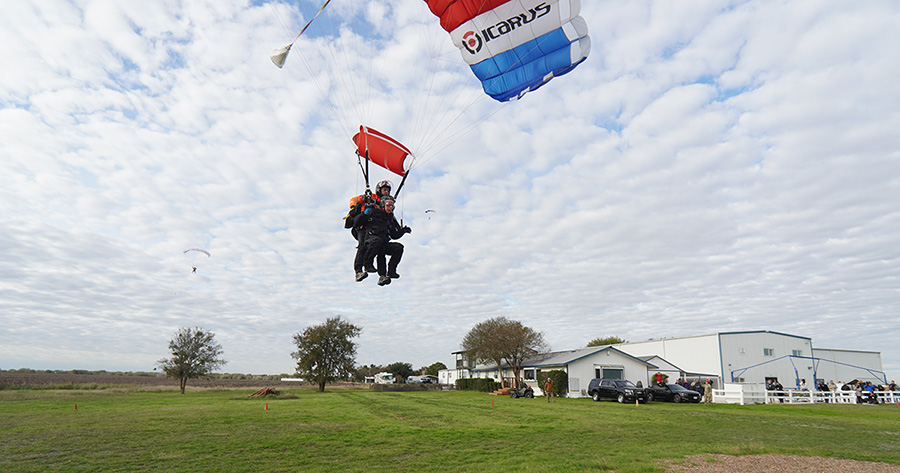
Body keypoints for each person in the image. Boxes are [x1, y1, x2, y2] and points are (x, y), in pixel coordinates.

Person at [355, 196, 410, 286]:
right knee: (377, 241)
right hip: (371, 240)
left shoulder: (390, 218)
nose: (391, 208)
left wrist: (402, 231)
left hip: (383, 243)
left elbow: (393, 235)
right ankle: (367, 264)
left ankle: (391, 271)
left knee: (398, 247)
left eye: (392, 206)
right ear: (383, 204)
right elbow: (356, 223)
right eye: (388, 205)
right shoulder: (373, 212)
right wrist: (364, 214)